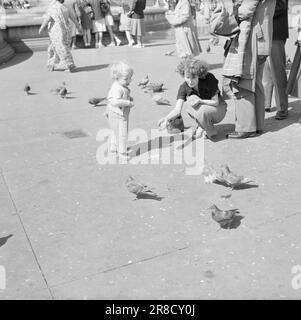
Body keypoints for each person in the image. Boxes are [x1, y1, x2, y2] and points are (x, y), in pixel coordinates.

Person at [222, 0, 276, 139]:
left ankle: (246, 128)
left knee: (244, 82)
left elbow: (245, 10)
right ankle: (257, 125)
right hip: (262, 39)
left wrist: (231, 10)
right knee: (256, 83)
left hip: (254, 40)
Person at [157, 58, 227, 139]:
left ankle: (208, 129)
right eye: (187, 77)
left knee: (200, 107)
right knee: (190, 102)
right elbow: (177, 110)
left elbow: (215, 102)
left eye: (194, 77)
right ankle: (204, 126)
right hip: (205, 110)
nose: (190, 81)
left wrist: (200, 101)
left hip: (219, 109)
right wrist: (167, 118)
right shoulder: (183, 87)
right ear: (183, 75)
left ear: (199, 75)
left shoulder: (209, 78)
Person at [39, 0, 82, 72]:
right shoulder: (65, 7)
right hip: (65, 30)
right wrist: (78, 27)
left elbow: (47, 19)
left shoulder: (54, 7)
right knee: (58, 47)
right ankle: (52, 64)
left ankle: (68, 65)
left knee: (59, 47)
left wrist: (41, 28)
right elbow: (73, 18)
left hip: (56, 30)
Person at [262, 0, 289, 120]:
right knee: (266, 71)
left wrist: (260, 9)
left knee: (277, 72)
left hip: (276, 33)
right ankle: (266, 103)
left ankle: (282, 108)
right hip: (265, 33)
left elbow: (280, 7)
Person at [104, 62, 134, 160]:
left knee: (115, 130)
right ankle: (122, 152)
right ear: (117, 77)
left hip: (115, 113)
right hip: (119, 114)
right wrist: (128, 103)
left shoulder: (117, 85)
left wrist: (128, 98)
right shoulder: (118, 88)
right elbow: (115, 101)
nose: (129, 81)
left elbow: (111, 98)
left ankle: (114, 147)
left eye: (130, 78)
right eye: (126, 79)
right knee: (122, 133)